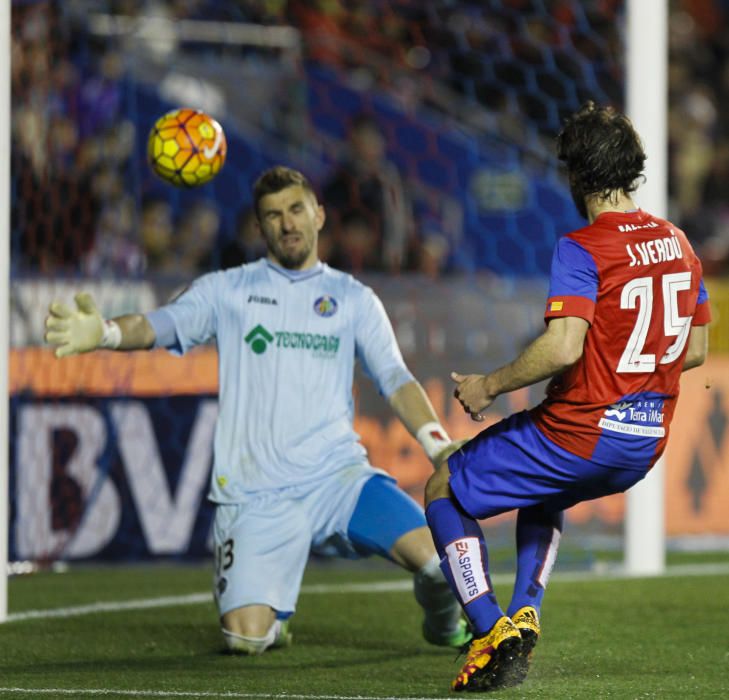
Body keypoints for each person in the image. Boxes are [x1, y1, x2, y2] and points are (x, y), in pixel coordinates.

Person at [44, 165, 470, 656]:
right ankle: (276, 614)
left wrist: (437, 445)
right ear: (259, 226)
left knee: (444, 565)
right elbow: (158, 324)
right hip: (256, 494)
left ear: (319, 214)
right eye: (272, 215)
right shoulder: (229, 291)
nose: (286, 223)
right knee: (243, 638)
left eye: (295, 209)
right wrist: (106, 334)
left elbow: (395, 378)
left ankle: (442, 623)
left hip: (336, 479)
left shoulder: (353, 298)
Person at [424, 102, 712, 692]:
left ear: (576, 176)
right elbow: (698, 348)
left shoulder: (583, 246)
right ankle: (526, 609)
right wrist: (630, 376)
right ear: (632, 169)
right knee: (544, 490)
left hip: (581, 433)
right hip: (643, 443)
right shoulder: (680, 243)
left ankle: (488, 630)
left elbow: (561, 348)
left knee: (443, 485)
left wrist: (487, 385)